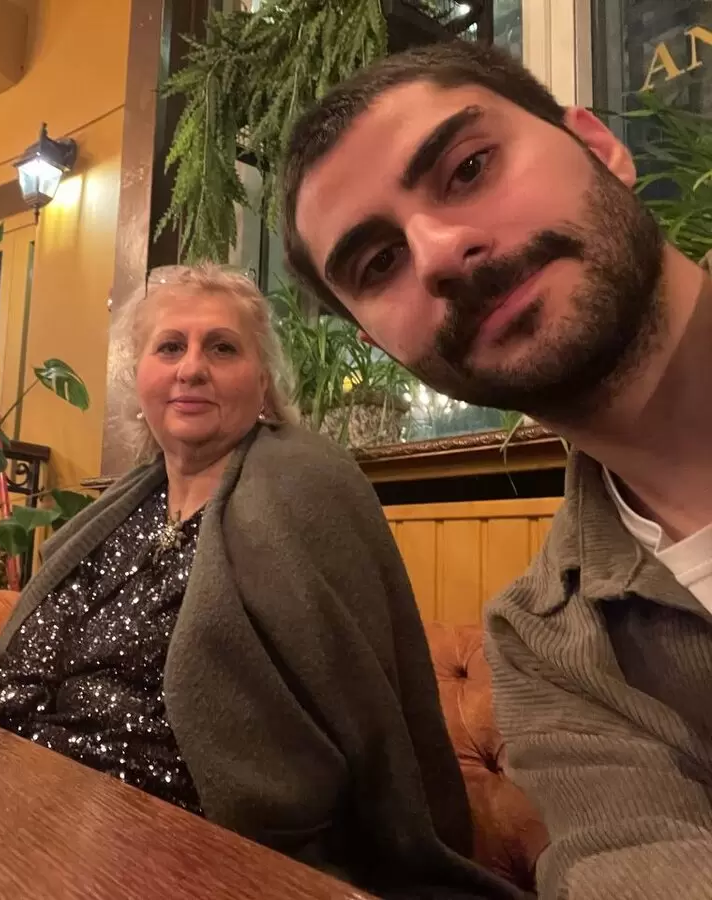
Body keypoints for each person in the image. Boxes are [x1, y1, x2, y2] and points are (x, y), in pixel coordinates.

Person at [282, 39, 712, 900]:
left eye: (469, 168)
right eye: (380, 263)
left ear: (599, 147)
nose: (439, 253)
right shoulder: (549, 646)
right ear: (379, 344)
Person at [0, 263, 518, 898]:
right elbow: (25, 669)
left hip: (182, 838)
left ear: (264, 384)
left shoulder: (306, 484)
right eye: (170, 347)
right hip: (39, 796)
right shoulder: (124, 506)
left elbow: (341, 713)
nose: (192, 368)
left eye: (222, 348)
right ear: (139, 377)